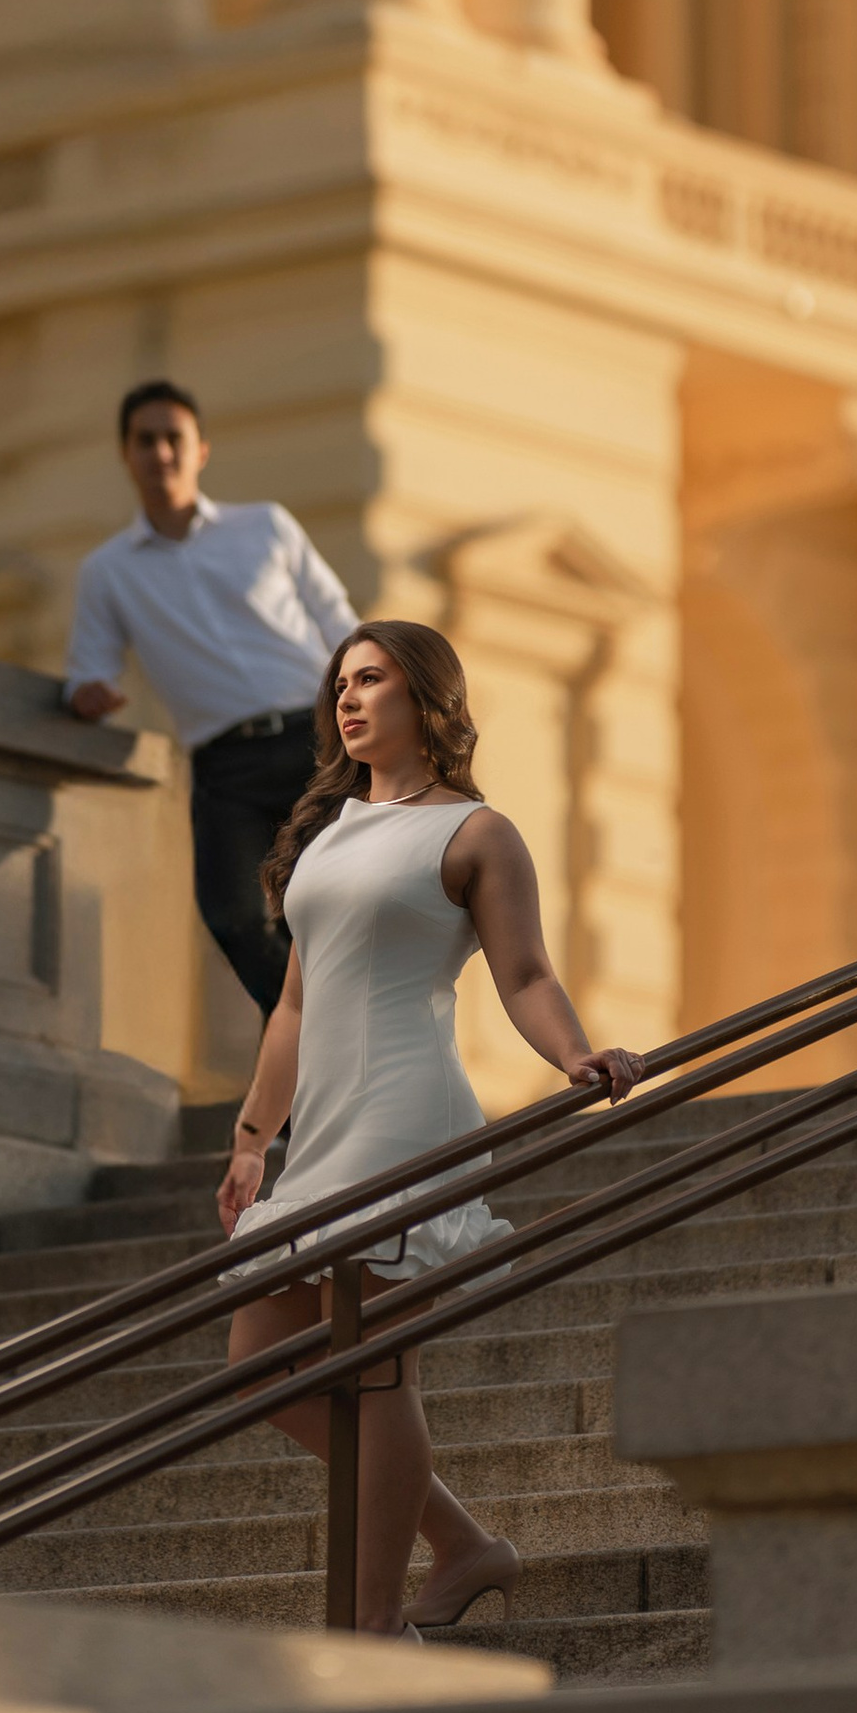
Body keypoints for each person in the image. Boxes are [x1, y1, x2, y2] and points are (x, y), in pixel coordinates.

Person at [218, 618, 644, 1639]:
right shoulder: (325, 835)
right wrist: (248, 1137)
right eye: (340, 686)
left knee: (375, 1366)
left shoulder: (476, 834)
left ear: (426, 700)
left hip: (405, 1114)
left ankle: (371, 1629)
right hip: (320, 1126)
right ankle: (460, 1546)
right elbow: (293, 1005)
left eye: (371, 681)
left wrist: (575, 1056)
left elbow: (526, 974)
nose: (348, 701)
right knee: (256, 1366)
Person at [63, 380, 356, 1023]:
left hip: (315, 742)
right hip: (223, 770)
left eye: (175, 438)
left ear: (201, 451)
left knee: (327, 912)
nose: (161, 452)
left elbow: (340, 622)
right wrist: (87, 695)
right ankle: (322, 1033)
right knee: (233, 918)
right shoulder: (108, 572)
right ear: (126, 454)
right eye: (146, 440)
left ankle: (306, 1074)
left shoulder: (267, 526)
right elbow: (88, 670)